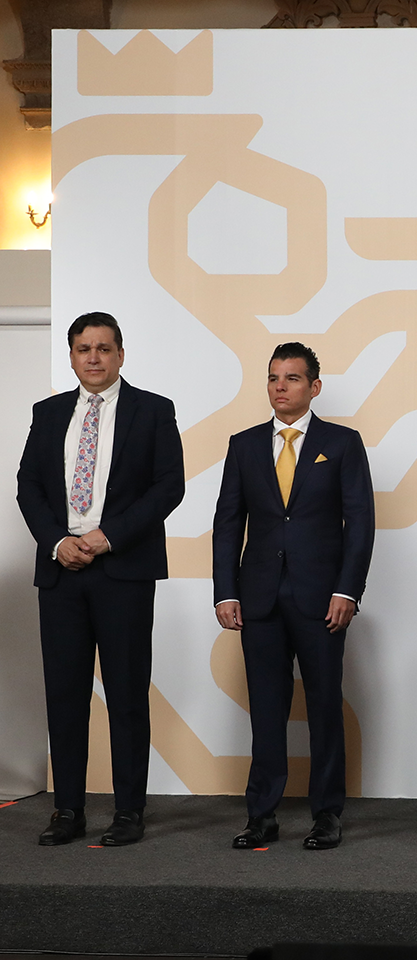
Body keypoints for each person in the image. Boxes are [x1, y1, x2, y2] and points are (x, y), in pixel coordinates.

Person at [17, 312, 185, 846]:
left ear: (120, 355)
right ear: (71, 357)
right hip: (61, 572)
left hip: (123, 572)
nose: (93, 357)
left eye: (104, 348)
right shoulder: (47, 413)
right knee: (65, 696)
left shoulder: (153, 410)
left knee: (127, 695)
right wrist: (57, 542)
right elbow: (27, 485)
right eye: (83, 348)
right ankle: (68, 809)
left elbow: (169, 487)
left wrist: (107, 536)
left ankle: (129, 811)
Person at [212, 342, 374, 851]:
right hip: (258, 597)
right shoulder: (243, 445)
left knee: (324, 705)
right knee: (266, 709)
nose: (280, 387)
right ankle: (261, 815)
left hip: (322, 598)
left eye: (292, 378)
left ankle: (326, 815)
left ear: (315, 387)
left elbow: (360, 522)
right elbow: (227, 523)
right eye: (273, 378)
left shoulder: (342, 443)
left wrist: (347, 589)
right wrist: (225, 592)